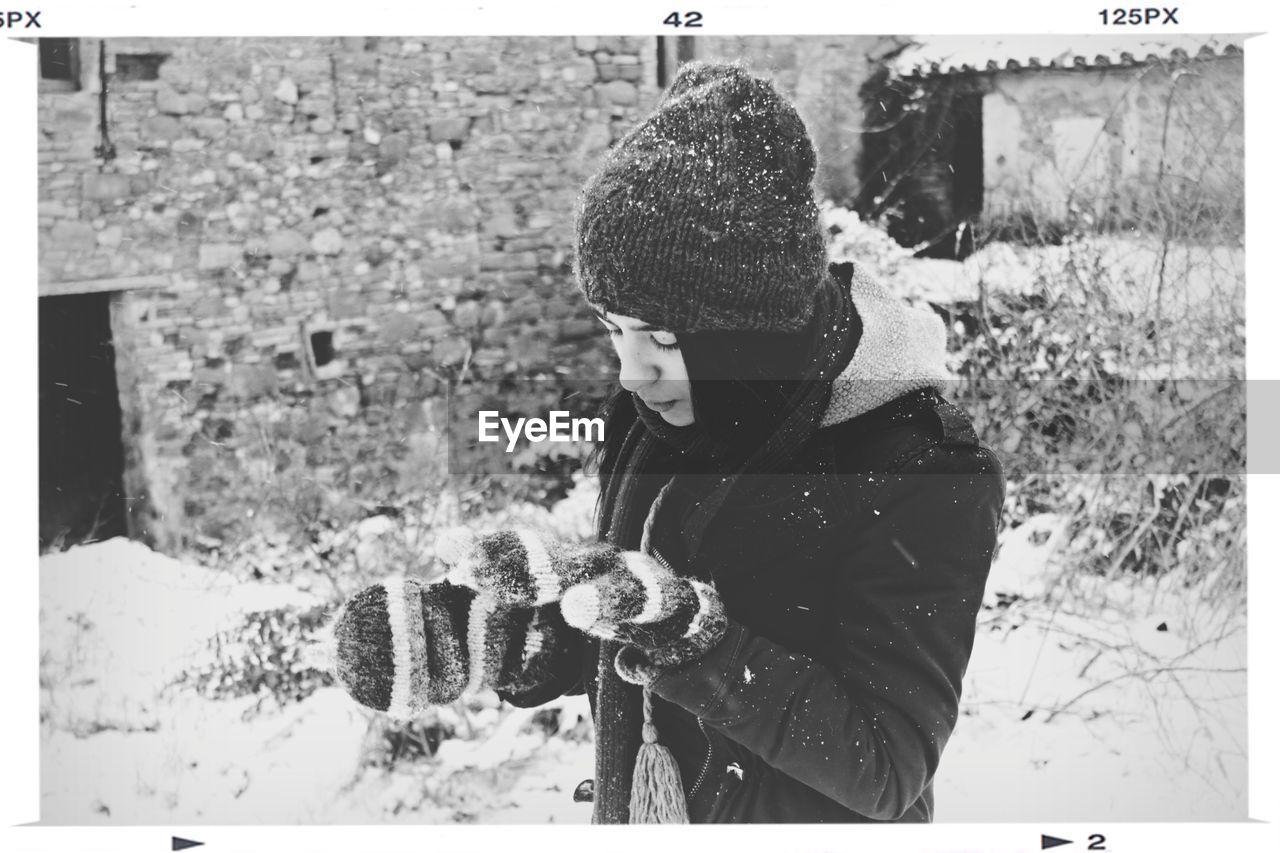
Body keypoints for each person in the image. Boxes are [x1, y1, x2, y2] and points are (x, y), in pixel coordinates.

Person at [329, 60, 1004, 825]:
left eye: (659, 335)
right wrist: (504, 634)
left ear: (748, 321)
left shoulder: (919, 466)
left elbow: (888, 761)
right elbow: (626, 633)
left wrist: (696, 640)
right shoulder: (653, 418)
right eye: (615, 328)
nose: (631, 370)